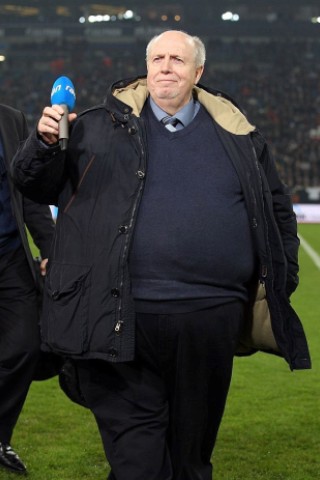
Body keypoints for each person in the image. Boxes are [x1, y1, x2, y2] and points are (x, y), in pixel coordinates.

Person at [11, 30, 311, 480]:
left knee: (189, 457)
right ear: (146, 66)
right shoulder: (94, 127)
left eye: (177, 59)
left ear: (198, 72)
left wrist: (278, 282)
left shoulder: (240, 136)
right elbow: (32, 184)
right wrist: (44, 143)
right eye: (157, 58)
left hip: (209, 319)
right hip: (118, 314)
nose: (165, 66)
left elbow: (277, 212)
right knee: (139, 459)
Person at [0, 103, 55, 474]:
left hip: (10, 255)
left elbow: (29, 192)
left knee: (25, 345)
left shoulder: (12, 119)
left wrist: (53, 250)